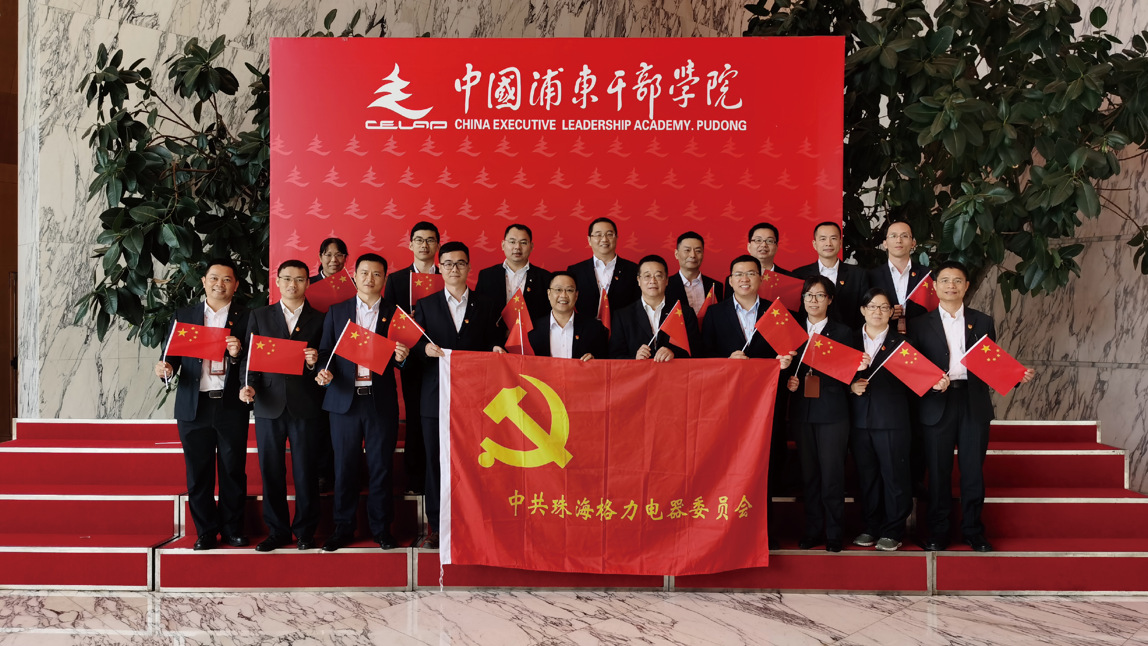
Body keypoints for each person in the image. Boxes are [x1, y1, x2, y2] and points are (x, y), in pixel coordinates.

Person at [908, 261, 1035, 553]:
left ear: (966, 286)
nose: (951, 285)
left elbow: (992, 363)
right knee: (937, 473)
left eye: (957, 280)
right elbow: (913, 368)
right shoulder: (919, 324)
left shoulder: (983, 321)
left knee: (972, 471)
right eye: (945, 280)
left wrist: (1015, 377)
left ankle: (973, 531)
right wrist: (930, 383)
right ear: (935, 286)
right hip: (936, 403)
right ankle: (938, 532)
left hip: (972, 402)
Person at [315, 253, 411, 552]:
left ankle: (382, 529)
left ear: (385, 279)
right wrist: (324, 371)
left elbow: (403, 360)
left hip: (379, 401)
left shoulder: (396, 314)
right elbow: (325, 352)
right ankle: (343, 527)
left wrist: (402, 358)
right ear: (354, 276)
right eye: (365, 273)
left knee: (381, 466)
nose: (370, 279)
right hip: (344, 400)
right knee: (345, 466)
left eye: (377, 274)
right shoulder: (337, 311)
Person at [414, 242, 505, 549]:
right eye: (449, 263)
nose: (455, 269)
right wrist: (424, 350)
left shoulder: (487, 304)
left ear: (469, 268)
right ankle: (437, 526)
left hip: (476, 398)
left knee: (476, 461)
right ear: (439, 268)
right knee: (435, 462)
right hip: (435, 397)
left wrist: (496, 347)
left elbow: (496, 339)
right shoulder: (425, 305)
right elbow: (413, 345)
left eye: (461, 263)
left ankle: (475, 522)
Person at [154, 259, 250, 551]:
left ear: (235, 285)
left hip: (230, 404)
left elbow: (254, 364)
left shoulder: (247, 317)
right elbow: (170, 357)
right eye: (214, 278)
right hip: (194, 405)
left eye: (227, 279)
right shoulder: (185, 316)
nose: (220, 284)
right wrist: (165, 369)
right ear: (204, 281)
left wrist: (237, 354)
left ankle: (232, 529)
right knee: (198, 472)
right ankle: (206, 531)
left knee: (233, 470)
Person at [702, 254, 795, 549]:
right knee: (727, 466)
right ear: (730, 280)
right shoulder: (715, 314)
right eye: (739, 274)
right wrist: (726, 361)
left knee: (764, 465)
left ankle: (762, 531)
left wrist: (786, 363)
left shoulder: (775, 312)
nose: (745, 279)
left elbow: (790, 354)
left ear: (761, 278)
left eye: (751, 273)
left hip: (765, 406)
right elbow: (703, 358)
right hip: (727, 405)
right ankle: (725, 532)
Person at [239, 259, 325, 551]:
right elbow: (250, 359)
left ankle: (305, 531)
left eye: (299, 279)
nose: (292, 284)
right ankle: (277, 531)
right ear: (276, 281)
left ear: (307, 283)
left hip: (306, 405)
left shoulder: (320, 319)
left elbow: (327, 361)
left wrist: (314, 363)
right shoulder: (260, 316)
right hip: (268, 404)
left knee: (306, 471)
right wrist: (247, 385)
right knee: (271, 471)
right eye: (287, 278)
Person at [785, 275, 866, 552]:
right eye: (809, 295)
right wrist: (788, 381)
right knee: (810, 475)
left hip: (833, 412)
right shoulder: (793, 330)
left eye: (820, 295)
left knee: (832, 475)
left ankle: (834, 532)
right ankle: (812, 530)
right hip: (802, 411)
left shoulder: (843, 332)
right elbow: (783, 367)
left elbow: (848, 373)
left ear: (830, 300)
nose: (814, 300)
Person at [847, 288, 926, 552]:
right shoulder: (847, 340)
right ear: (862, 310)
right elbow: (834, 376)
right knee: (867, 477)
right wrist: (851, 386)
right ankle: (871, 527)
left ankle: (893, 530)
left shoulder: (903, 345)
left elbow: (916, 383)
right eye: (872, 306)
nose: (877, 312)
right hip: (858, 421)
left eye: (883, 307)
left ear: (892, 312)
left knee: (894, 477)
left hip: (892, 421)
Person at [382, 221, 440, 496]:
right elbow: (389, 318)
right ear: (410, 244)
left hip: (442, 356)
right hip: (413, 357)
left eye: (430, 240)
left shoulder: (448, 273)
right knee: (416, 417)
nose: (424, 245)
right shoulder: (396, 280)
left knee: (444, 418)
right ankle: (416, 477)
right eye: (419, 240)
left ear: (437, 245)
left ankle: (442, 475)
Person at [608, 255, 701, 361]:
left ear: (666, 280)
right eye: (647, 276)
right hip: (639, 371)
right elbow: (614, 357)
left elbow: (698, 351)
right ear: (638, 280)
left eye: (658, 276)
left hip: (674, 371)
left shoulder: (684, 312)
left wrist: (674, 353)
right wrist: (635, 358)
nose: (652, 281)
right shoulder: (622, 316)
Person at [793, 222, 869, 329]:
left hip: (849, 336)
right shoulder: (799, 275)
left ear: (840, 243)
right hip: (810, 335)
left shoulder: (858, 275)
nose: (828, 243)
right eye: (823, 239)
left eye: (833, 238)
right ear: (815, 244)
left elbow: (864, 312)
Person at [475, 223, 552, 328]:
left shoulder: (545, 278)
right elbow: (479, 312)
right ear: (503, 245)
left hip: (532, 336)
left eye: (523, 243)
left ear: (531, 246)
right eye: (512, 242)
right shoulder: (487, 276)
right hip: (495, 337)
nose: (517, 247)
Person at [567, 217, 640, 321]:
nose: (604, 239)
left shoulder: (633, 270)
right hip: (586, 329)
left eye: (609, 234)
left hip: (623, 329)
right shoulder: (575, 271)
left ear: (616, 238)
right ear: (589, 240)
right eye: (598, 235)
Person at [527, 271, 609, 360]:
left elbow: (605, 361)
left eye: (569, 290)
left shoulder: (594, 328)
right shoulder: (532, 330)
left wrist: (595, 361)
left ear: (576, 295)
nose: (563, 295)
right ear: (549, 293)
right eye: (558, 290)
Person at [867, 222, 929, 329]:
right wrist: (885, 312)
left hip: (921, 334)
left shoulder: (927, 275)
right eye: (893, 236)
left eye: (904, 236)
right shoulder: (871, 276)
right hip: (885, 335)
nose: (898, 240)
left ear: (913, 243)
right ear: (885, 244)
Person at [723, 223, 788, 300]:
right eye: (758, 240)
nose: (764, 245)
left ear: (776, 247)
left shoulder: (789, 278)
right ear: (749, 246)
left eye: (769, 241)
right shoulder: (735, 279)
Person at [666, 231, 724, 315]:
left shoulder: (715, 286)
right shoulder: (666, 285)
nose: (693, 255)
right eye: (687, 250)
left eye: (698, 251)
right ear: (676, 254)